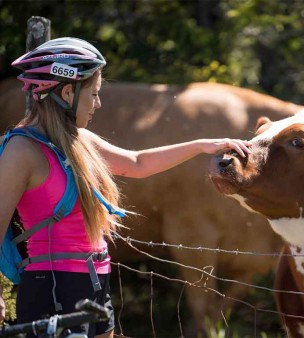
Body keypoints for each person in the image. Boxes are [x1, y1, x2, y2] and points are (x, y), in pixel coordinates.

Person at [0, 37, 251, 338]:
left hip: (94, 282)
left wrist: (201, 146)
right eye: (93, 94)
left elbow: (137, 162)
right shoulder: (22, 150)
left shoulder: (80, 141)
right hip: (52, 286)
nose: (98, 103)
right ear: (67, 92)